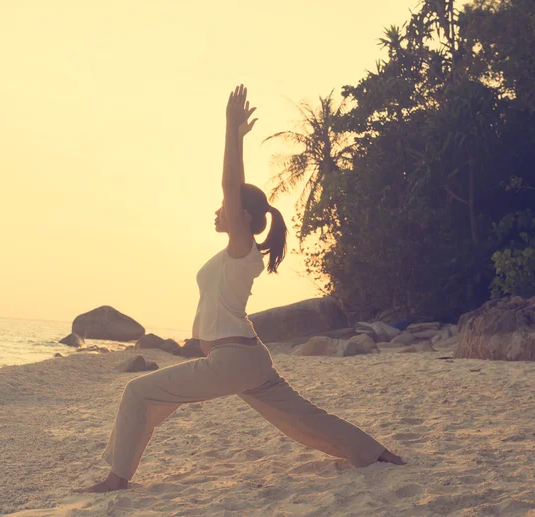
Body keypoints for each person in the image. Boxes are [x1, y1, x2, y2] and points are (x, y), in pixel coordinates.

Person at [79, 84, 405, 493]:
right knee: (302, 417)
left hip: (230, 361)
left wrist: (231, 132)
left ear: (241, 215)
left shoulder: (241, 249)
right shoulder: (235, 256)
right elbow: (231, 193)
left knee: (137, 392)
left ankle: (115, 478)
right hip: (247, 358)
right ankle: (375, 452)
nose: (217, 210)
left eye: (226, 208)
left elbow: (230, 185)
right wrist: (235, 134)